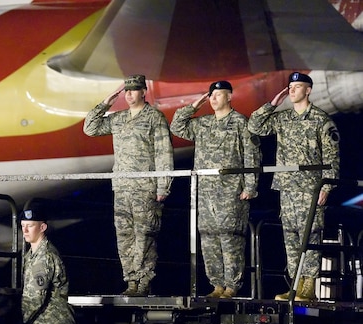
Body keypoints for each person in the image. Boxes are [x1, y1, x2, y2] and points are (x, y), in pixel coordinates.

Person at [248, 72, 341, 301]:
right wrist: (272, 104)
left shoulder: (321, 119)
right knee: (290, 239)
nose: (292, 90)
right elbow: (255, 125)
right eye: (290, 87)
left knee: (310, 236)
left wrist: (326, 188)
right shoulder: (283, 117)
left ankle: (308, 286)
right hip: (287, 188)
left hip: (310, 188)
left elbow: (333, 156)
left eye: (297, 86)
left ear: (308, 90)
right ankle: (295, 285)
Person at [83, 74, 174, 296]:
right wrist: (105, 104)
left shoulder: (154, 117)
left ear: (144, 91)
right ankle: (131, 280)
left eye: (134, 90)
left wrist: (164, 185)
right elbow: (90, 128)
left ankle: (144, 281)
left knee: (145, 234)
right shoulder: (119, 118)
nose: (129, 94)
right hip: (122, 187)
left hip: (145, 186)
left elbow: (164, 152)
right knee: (124, 235)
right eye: (126, 90)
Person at [170, 80, 261, 298]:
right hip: (205, 192)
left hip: (230, 191)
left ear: (229, 97)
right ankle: (217, 285)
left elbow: (252, 155)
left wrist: (250, 186)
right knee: (208, 238)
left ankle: (232, 286)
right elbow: (176, 127)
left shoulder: (241, 123)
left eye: (218, 94)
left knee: (230, 238)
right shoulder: (203, 123)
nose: (213, 98)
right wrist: (193, 106)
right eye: (211, 95)